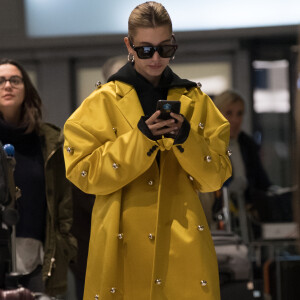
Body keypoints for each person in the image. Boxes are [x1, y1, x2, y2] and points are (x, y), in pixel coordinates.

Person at [63, 2, 232, 299]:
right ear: (129, 45)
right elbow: (82, 172)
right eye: (145, 49)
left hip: (183, 240)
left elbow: (216, 177)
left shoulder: (197, 101)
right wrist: (140, 139)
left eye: (165, 49)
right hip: (121, 242)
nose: (155, 58)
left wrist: (185, 138)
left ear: (174, 44)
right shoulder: (101, 102)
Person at [0, 58, 77, 298]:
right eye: (1, 81)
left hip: (41, 258)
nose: (8, 86)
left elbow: (63, 202)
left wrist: (65, 245)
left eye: (15, 80)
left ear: (26, 89)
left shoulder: (49, 140)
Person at [213, 89, 272, 240]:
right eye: (229, 113)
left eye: (239, 114)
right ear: (217, 114)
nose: (235, 120)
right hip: (216, 220)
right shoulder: (208, 146)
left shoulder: (248, 145)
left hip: (248, 222)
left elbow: (262, 183)